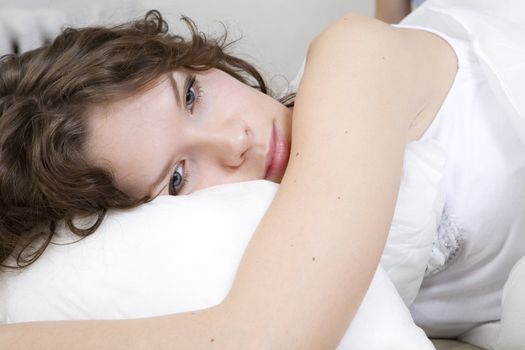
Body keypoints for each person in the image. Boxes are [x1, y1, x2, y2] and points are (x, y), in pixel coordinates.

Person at [1, 0, 524, 348]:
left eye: (191, 95)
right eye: (178, 177)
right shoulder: (265, 234)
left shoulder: (353, 61)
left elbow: (264, 338)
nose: (235, 141)